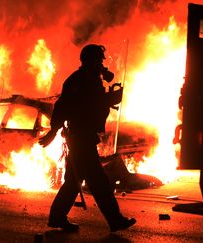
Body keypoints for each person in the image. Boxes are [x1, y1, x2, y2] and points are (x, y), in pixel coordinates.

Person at [38, 43, 136, 232]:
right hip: (80, 138)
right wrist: (53, 130)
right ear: (90, 61)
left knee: (74, 181)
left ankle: (57, 217)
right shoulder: (80, 81)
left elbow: (93, 103)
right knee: (98, 182)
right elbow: (66, 106)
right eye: (99, 60)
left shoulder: (90, 79)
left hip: (84, 137)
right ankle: (115, 220)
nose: (101, 63)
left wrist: (108, 95)